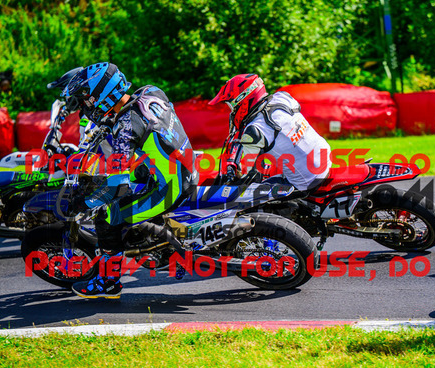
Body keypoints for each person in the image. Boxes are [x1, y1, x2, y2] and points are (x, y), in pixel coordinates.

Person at [59, 62, 193, 299]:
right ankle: (155, 240)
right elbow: (146, 127)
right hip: (185, 165)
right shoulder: (150, 92)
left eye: (87, 99)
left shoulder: (126, 127)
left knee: (107, 216)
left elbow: (117, 186)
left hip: (171, 188)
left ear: (103, 95)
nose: (85, 106)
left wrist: (85, 203)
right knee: (134, 178)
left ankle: (108, 283)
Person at [208, 74, 331, 191]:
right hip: (324, 156)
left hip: (308, 180)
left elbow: (252, 176)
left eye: (232, 106)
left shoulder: (254, 130)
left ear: (242, 100)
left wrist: (233, 182)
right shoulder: (282, 97)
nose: (232, 111)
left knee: (247, 193)